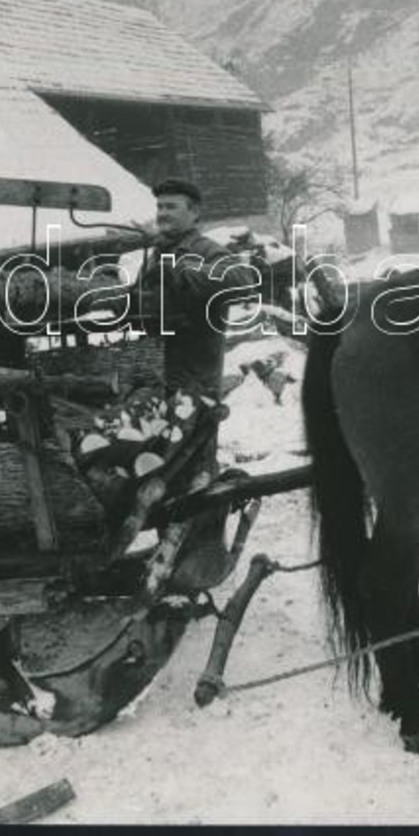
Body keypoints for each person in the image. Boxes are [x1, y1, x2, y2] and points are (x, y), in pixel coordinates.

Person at [137, 178, 260, 588]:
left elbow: (242, 283)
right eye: (160, 208)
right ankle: (167, 556)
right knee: (159, 473)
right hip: (159, 381)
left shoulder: (207, 252)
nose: (163, 214)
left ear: (194, 213)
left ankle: (196, 567)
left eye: (172, 207)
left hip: (197, 385)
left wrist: (183, 273)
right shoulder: (155, 255)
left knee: (196, 474)